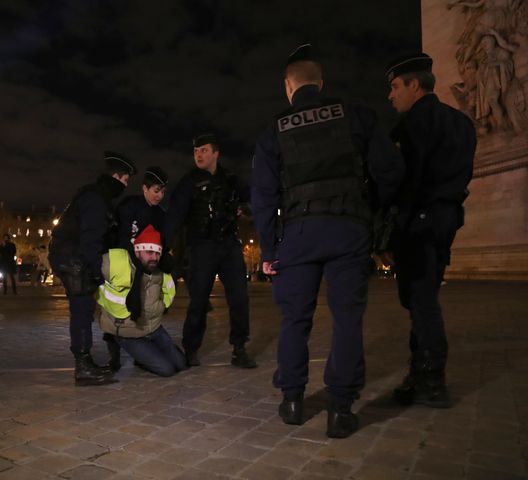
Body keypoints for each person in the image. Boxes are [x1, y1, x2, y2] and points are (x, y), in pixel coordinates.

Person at [252, 44, 404, 438]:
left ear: (289, 86)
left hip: (299, 235)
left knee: (294, 320)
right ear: (321, 84)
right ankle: (340, 407)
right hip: (348, 230)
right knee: (347, 319)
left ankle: (291, 400)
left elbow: (264, 197)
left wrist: (268, 250)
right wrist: (375, 219)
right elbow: (389, 173)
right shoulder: (356, 117)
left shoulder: (274, 131)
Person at [383, 53, 476, 408]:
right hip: (447, 219)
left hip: (418, 222)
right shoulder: (462, 123)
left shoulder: (411, 126)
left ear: (414, 85)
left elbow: (406, 183)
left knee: (420, 302)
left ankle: (432, 379)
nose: (390, 96)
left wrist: (391, 233)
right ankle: (420, 373)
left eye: (395, 87)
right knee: (424, 298)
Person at [163, 134, 256, 369]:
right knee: (199, 301)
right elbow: (174, 216)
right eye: (196, 151)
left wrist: (245, 209)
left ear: (216, 153)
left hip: (229, 245)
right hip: (202, 247)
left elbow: (253, 201)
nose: (199, 155)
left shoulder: (231, 179)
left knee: (239, 299)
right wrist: (163, 246)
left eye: (204, 150)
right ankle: (191, 350)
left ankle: (239, 348)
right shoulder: (189, 182)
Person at [49, 151, 137, 386]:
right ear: (117, 176)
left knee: (83, 308)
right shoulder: (96, 199)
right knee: (82, 309)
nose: (126, 186)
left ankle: (84, 362)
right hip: (73, 258)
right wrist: (96, 271)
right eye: (126, 181)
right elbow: (91, 238)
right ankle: (83, 366)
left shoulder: (96, 196)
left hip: (71, 256)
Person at [97, 225, 186, 377]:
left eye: (157, 253)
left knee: (182, 365)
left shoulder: (159, 269)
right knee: (167, 370)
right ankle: (126, 347)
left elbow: (169, 289)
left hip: (154, 328)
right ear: (137, 251)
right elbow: (91, 265)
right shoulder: (118, 263)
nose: (154, 258)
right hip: (128, 332)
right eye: (149, 252)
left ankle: (151, 354)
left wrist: (162, 306)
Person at [106, 166, 170, 371]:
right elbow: (120, 235)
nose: (159, 196)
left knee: (142, 307)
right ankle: (114, 354)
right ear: (145, 188)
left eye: (163, 192)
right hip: (123, 264)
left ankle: (142, 350)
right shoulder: (129, 205)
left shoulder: (160, 214)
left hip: (146, 268)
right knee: (116, 309)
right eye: (156, 190)